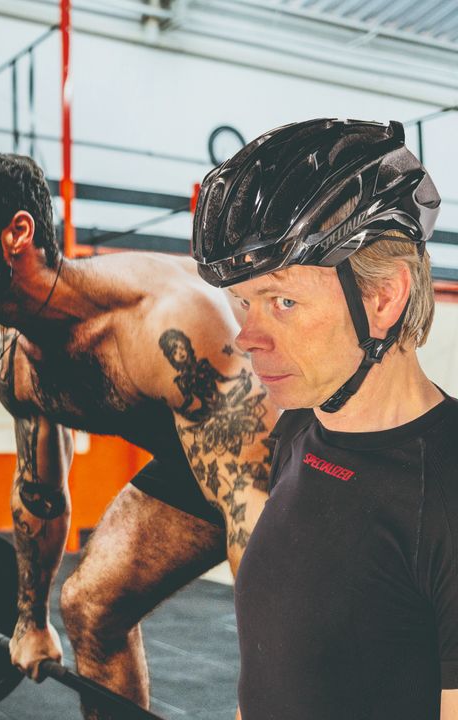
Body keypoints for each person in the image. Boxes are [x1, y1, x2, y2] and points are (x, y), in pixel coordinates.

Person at [0, 152, 276, 719]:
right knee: (89, 606)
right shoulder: (16, 365)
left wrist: (274, 686)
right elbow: (41, 494)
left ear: (17, 233)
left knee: (344, 644)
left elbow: (252, 510)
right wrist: (30, 621)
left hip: (308, 453)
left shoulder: (168, 324)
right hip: (204, 460)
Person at [191, 118, 456, 719]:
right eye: (244, 302)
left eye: (283, 301)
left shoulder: (445, 490)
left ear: (384, 298)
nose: (247, 337)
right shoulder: (298, 434)